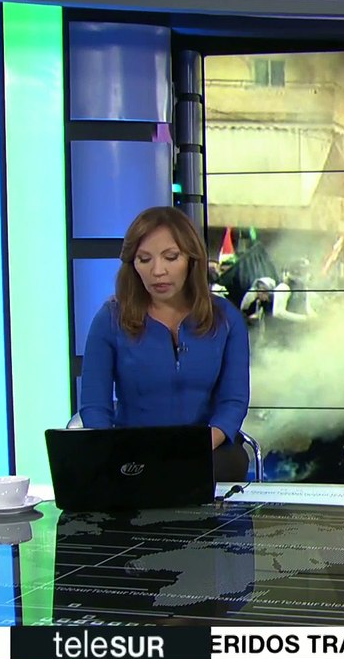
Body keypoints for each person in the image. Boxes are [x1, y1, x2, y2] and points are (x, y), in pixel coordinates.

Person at [79, 206, 251, 482]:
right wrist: (111, 451)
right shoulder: (110, 320)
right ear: (132, 265)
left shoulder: (226, 318)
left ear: (191, 259)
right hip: (133, 452)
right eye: (144, 259)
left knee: (218, 468)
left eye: (171, 257)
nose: (158, 271)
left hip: (208, 451)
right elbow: (94, 406)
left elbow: (233, 403)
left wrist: (196, 446)